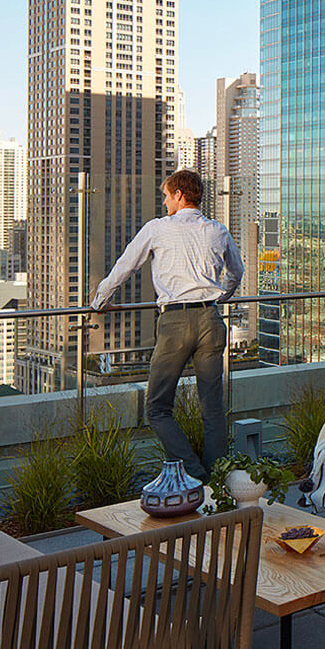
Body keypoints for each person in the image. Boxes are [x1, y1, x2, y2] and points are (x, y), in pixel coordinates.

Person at [90, 170, 243, 481]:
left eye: (166, 195)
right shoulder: (217, 230)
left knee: (158, 407)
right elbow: (236, 273)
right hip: (211, 320)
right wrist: (219, 297)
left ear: (179, 195)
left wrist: (99, 301)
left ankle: (194, 474)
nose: (163, 201)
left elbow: (125, 265)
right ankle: (217, 483)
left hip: (174, 322)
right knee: (212, 409)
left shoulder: (158, 229)